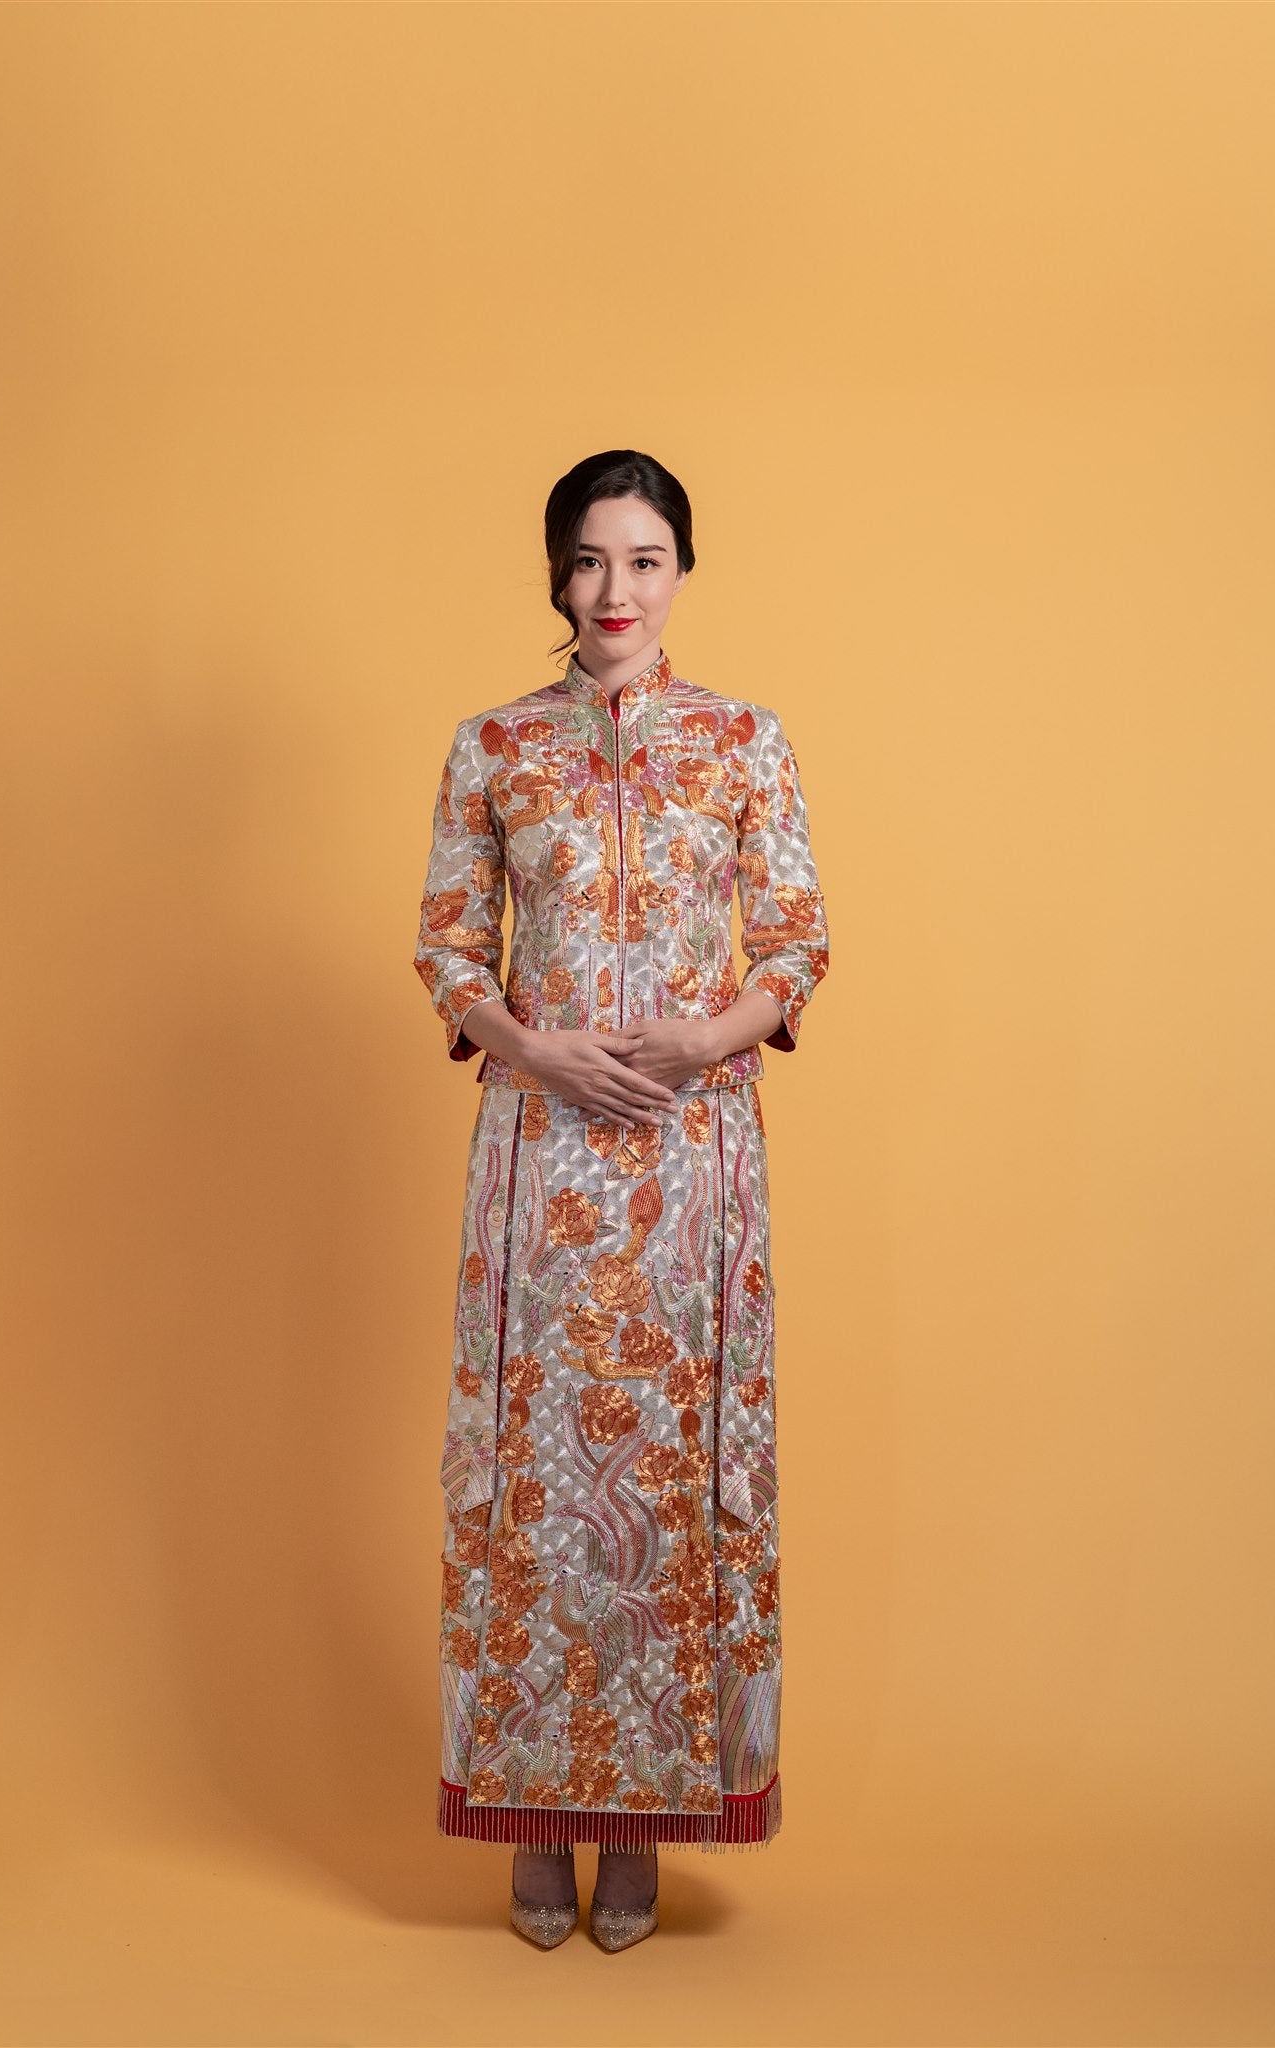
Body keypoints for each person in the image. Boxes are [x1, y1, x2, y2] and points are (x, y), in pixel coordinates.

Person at [412, 448, 830, 1950]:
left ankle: (642, 1826)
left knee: (665, 1475)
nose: (615, 594)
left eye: (644, 560)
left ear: (681, 573)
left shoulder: (744, 742)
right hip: (540, 1161)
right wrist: (537, 1046)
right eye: (589, 562)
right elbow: (451, 946)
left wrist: (704, 1036)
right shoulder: (493, 750)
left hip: (692, 1162)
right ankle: (536, 1821)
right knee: (533, 1478)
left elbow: (794, 937)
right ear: (555, 575)